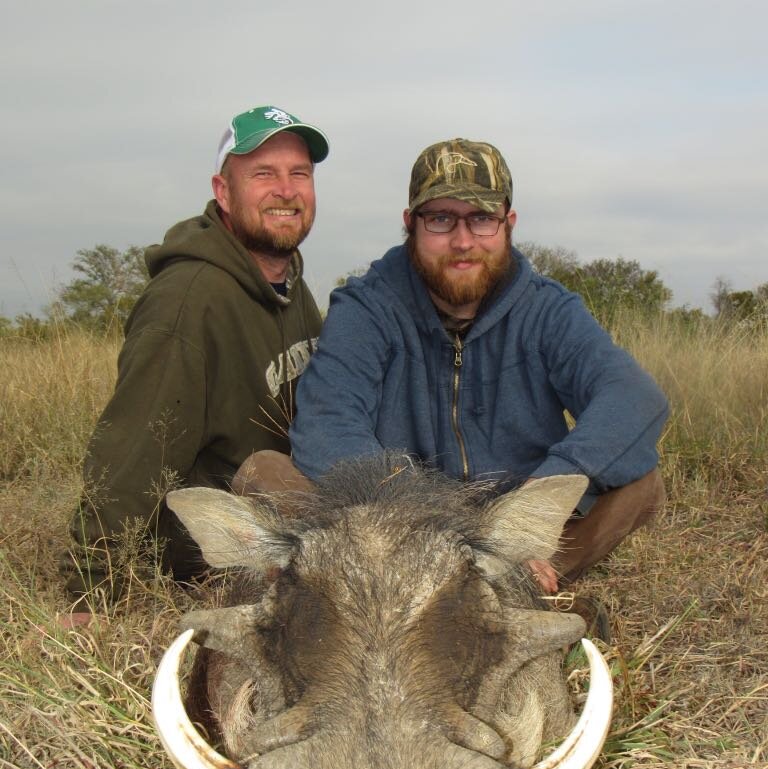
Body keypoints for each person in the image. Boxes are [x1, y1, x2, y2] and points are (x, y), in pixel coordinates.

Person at [289, 138, 668, 593]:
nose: (463, 240)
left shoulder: (547, 308)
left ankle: (512, 585)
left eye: (482, 219)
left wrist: (531, 510)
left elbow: (632, 396)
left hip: (517, 533)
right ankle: (488, 595)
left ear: (509, 224)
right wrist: (417, 520)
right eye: (441, 219)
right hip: (396, 532)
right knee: (266, 471)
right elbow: (328, 421)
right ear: (411, 224)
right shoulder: (366, 306)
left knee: (641, 484)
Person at [62, 105, 329, 616]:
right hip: (209, 535)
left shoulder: (290, 282)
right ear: (223, 192)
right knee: (271, 475)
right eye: (263, 174)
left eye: (300, 174)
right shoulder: (186, 301)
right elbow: (133, 451)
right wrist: (89, 593)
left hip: (281, 502)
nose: (286, 189)